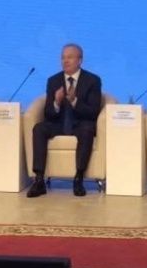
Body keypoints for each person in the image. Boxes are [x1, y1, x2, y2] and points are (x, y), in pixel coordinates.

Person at [27, 43, 102, 198]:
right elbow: (48, 113)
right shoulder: (53, 80)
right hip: (59, 124)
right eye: (63, 58)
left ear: (80, 60)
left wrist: (74, 101)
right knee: (39, 128)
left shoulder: (92, 80)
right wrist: (56, 102)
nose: (65, 61)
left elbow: (93, 112)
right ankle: (39, 180)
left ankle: (78, 179)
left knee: (87, 130)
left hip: (80, 123)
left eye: (69, 57)